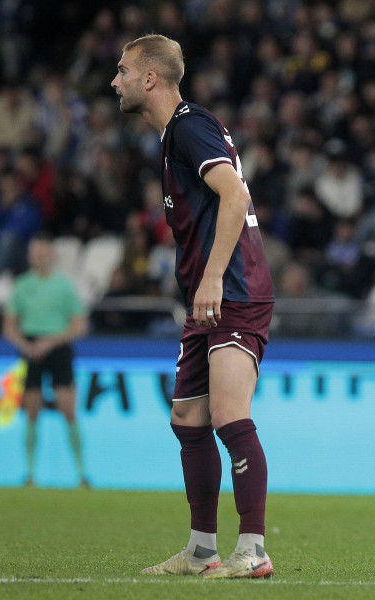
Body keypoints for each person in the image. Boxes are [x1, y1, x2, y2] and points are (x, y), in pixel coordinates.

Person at [111, 34, 275, 579]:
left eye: (123, 71)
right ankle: (203, 549)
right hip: (208, 296)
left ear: (150, 78)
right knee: (188, 416)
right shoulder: (175, 134)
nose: (116, 82)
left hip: (233, 290)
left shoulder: (188, 126)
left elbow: (236, 196)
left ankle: (253, 548)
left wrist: (210, 280)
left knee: (229, 414)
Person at [2, 233, 88, 488]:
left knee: (68, 410)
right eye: (34, 253)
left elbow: (80, 326)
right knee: (31, 412)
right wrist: (26, 345)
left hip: (58, 347)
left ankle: (82, 474)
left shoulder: (63, 286)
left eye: (41, 253)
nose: (37, 258)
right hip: (30, 349)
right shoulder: (22, 285)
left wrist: (51, 342)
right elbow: (9, 327)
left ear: (51, 256)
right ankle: (30, 474)